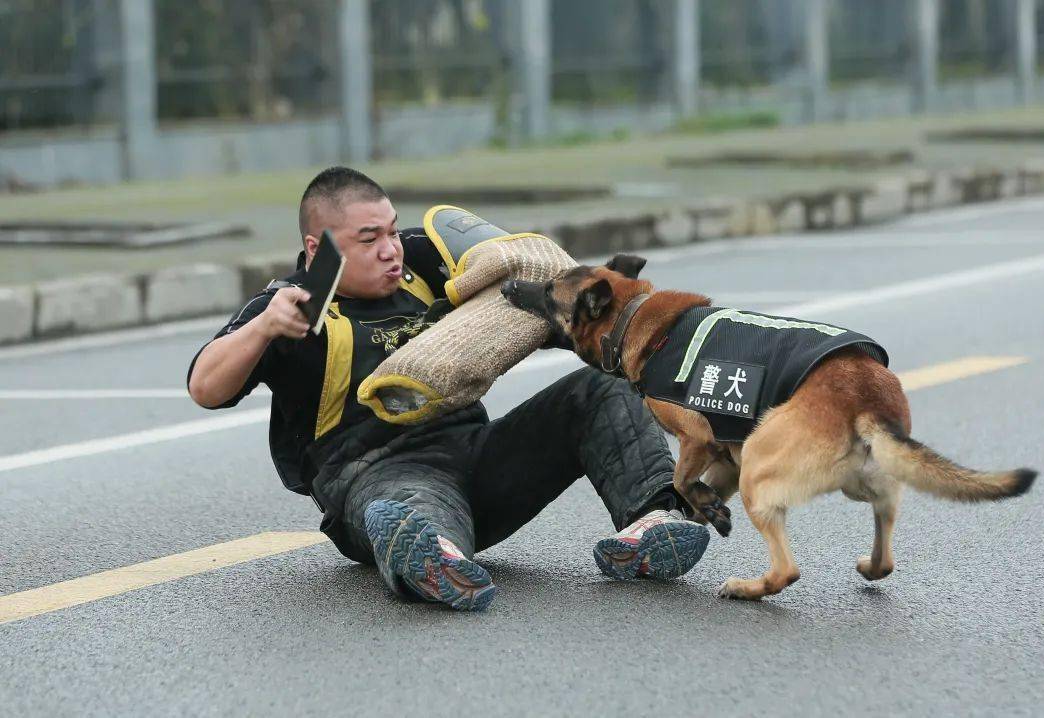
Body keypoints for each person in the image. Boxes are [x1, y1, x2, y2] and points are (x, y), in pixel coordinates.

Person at [187, 166, 709, 611]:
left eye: (391, 231)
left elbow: (523, 276)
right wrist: (262, 329)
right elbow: (205, 387)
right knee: (406, 508)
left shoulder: (420, 261)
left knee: (597, 391)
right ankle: (430, 554)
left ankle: (654, 522)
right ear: (316, 247)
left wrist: (581, 305)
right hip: (377, 474)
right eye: (369, 240)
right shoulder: (288, 308)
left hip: (478, 457)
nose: (390, 250)